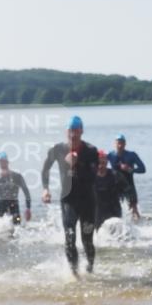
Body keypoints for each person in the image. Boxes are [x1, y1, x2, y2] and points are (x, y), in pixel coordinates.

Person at [42, 115, 99, 275]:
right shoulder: (57, 149)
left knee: (87, 240)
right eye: (70, 131)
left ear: (81, 131)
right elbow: (45, 169)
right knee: (69, 237)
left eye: (76, 131)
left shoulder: (91, 151)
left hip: (88, 201)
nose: (73, 135)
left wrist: (78, 163)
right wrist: (45, 189)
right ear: (66, 132)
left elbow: (93, 178)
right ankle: (74, 275)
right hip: (68, 201)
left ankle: (90, 270)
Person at [0, 152, 32, 224]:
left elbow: (26, 192)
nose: (2, 163)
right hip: (0, 207)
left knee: (17, 223)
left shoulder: (17, 176)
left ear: (7, 162)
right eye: (0, 161)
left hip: (14, 207)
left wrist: (28, 208)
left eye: (3, 161)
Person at [107, 134, 146, 219]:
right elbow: (101, 165)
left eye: (122, 143)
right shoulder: (110, 155)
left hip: (129, 185)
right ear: (114, 144)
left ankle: (139, 227)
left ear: (125, 144)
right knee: (114, 209)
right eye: (118, 143)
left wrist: (131, 170)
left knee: (134, 210)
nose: (120, 145)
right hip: (116, 186)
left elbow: (143, 169)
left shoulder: (131, 155)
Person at [93, 149, 123, 227]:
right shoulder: (90, 176)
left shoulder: (115, 175)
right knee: (96, 233)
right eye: (98, 163)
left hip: (113, 208)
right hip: (97, 209)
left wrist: (133, 204)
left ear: (107, 163)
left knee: (116, 233)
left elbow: (128, 190)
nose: (101, 166)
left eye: (103, 163)